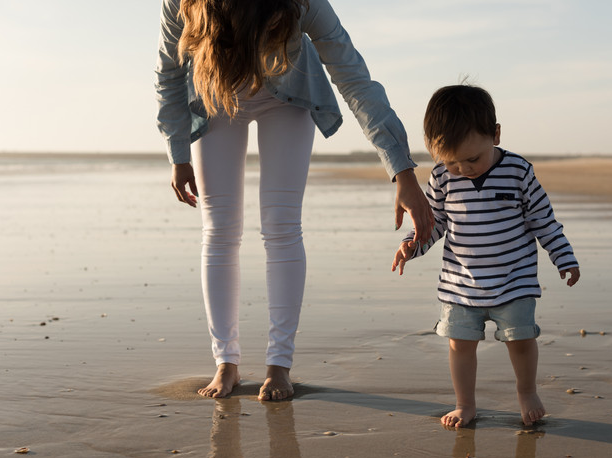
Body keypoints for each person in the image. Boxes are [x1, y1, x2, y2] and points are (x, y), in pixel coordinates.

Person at [155, 0, 433, 401]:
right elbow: (168, 71)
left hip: (287, 91)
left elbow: (354, 77)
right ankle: (226, 363)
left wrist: (403, 172)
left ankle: (279, 365)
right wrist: (177, 151)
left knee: (282, 226)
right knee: (219, 229)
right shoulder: (181, 3)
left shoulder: (303, 3)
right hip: (215, 90)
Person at [391, 84, 580, 427]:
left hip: (514, 281)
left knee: (520, 340)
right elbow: (435, 225)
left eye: (472, 159)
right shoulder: (442, 179)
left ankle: (526, 392)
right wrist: (412, 244)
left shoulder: (518, 172)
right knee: (459, 345)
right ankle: (465, 404)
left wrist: (564, 257)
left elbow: (543, 221)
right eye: (451, 162)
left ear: (495, 134)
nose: (463, 168)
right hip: (460, 285)